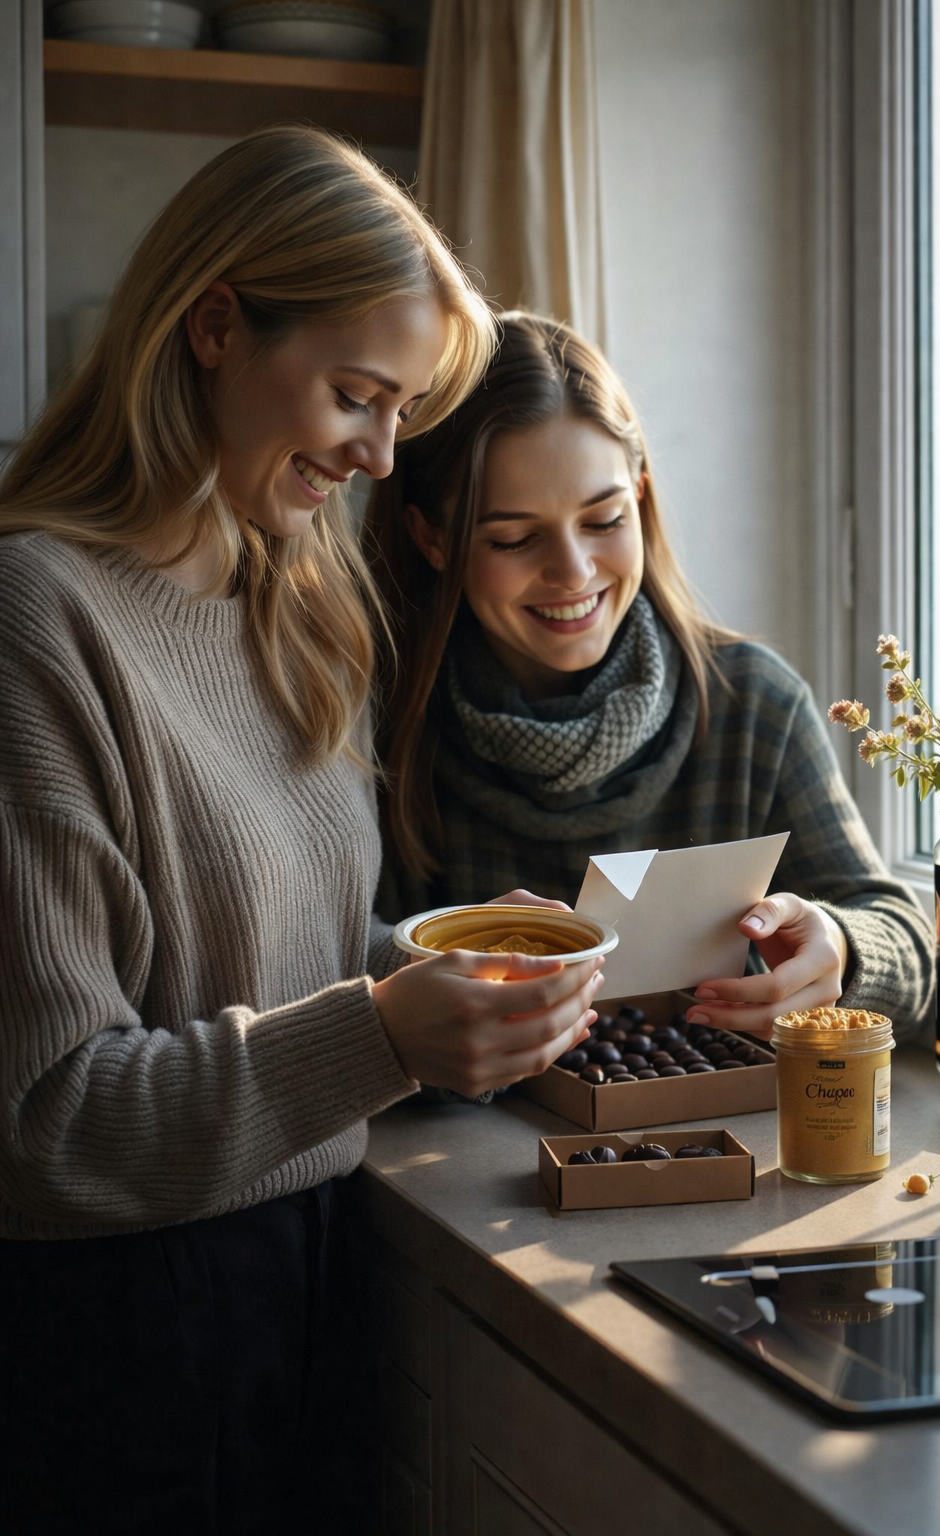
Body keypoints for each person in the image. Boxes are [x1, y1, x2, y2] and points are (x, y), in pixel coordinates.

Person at [0, 137, 604, 1534]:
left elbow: (260, 957)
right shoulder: (40, 620)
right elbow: (44, 1123)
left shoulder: (291, 598)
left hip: (321, 1275)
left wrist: (439, 966)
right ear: (215, 326)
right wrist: (387, 1034)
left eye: (401, 413)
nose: (383, 456)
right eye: (355, 395)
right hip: (117, 1343)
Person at [366, 310, 934, 1049]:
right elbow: (331, 966)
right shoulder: (380, 726)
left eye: (603, 520)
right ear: (431, 538)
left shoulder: (752, 705)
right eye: (513, 537)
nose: (573, 572)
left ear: (640, 495)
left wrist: (841, 948)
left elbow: (909, 941)